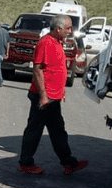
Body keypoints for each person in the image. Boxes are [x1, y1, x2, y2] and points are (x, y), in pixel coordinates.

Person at [17, 14, 88, 175]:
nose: (70, 31)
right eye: (68, 28)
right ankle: (25, 163)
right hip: (44, 98)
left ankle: (69, 162)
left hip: (53, 98)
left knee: (58, 131)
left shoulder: (57, 42)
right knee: (34, 130)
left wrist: (59, 92)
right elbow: (37, 69)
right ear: (58, 29)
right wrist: (43, 96)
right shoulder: (45, 43)